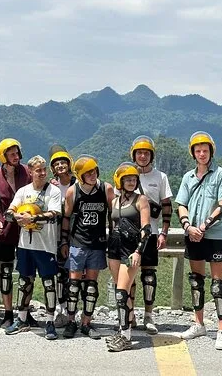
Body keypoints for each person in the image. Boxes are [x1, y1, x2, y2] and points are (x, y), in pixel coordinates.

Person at [175, 131, 222, 351]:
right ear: (193, 153)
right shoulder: (188, 178)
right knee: (196, 281)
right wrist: (188, 227)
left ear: (211, 152)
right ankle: (199, 324)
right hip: (193, 235)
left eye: (205, 150)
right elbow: (181, 204)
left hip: (215, 235)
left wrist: (204, 226)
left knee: (218, 285)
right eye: (198, 151)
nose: (202, 154)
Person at [3, 155, 62, 340]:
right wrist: (17, 217)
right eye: (38, 170)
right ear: (30, 172)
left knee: (49, 284)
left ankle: (50, 322)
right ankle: (21, 319)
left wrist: (33, 218)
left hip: (46, 246)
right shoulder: (23, 191)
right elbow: (9, 212)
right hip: (25, 245)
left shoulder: (53, 191)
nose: (42, 173)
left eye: (44, 169)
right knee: (24, 282)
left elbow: (54, 214)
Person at [60, 155, 114, 340]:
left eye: (94, 171)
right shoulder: (73, 191)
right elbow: (66, 217)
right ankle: (71, 321)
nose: (92, 175)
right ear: (80, 176)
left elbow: (113, 215)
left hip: (97, 244)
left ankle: (86, 323)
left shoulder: (106, 189)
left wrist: (113, 239)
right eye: (88, 173)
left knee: (91, 287)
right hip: (77, 243)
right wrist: (64, 241)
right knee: (73, 286)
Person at [0, 138, 32, 328]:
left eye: (17, 153)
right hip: (5, 232)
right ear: (2, 156)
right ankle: (8, 313)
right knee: (5, 273)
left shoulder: (27, 172)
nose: (16, 156)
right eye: (11, 154)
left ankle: (24, 312)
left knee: (27, 273)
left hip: (27, 230)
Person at [129, 135, 173, 335]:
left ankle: (148, 315)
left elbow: (167, 206)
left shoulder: (160, 177)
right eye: (139, 153)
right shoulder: (126, 173)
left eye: (146, 153)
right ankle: (129, 314)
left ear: (152, 155)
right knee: (129, 275)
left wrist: (164, 232)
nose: (143, 156)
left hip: (152, 233)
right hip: (130, 233)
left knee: (148, 276)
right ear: (134, 155)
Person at [106, 163, 151, 352]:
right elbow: (112, 225)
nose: (131, 182)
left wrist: (139, 251)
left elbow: (146, 229)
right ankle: (125, 325)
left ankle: (125, 336)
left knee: (121, 293)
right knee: (120, 290)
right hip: (114, 248)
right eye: (128, 180)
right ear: (120, 181)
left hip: (130, 249)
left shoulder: (141, 200)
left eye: (134, 179)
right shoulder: (114, 202)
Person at [48, 144, 76, 327]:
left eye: (63, 162)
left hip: (77, 234)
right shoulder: (52, 186)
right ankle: (62, 307)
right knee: (60, 273)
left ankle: (75, 309)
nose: (60, 166)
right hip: (57, 235)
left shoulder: (77, 183)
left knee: (76, 274)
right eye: (56, 163)